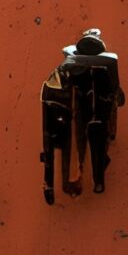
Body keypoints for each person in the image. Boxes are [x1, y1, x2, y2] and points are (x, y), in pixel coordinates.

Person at [60, 26, 123, 196]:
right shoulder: (107, 61)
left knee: (85, 141)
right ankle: (91, 178)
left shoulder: (78, 62)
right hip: (94, 110)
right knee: (95, 141)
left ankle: (84, 176)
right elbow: (115, 86)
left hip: (88, 110)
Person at [41, 58, 78, 205]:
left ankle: (50, 187)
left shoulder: (51, 81)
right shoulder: (68, 80)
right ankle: (60, 184)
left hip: (50, 122)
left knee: (49, 154)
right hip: (61, 122)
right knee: (63, 150)